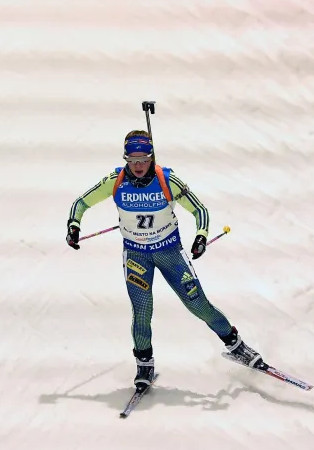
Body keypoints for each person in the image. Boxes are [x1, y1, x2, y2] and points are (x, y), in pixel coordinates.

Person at [65, 130, 264, 389]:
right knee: (142, 312)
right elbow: (80, 203)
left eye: (143, 159)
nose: (137, 166)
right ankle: (144, 364)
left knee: (198, 305)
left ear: (152, 157)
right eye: (132, 160)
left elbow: (199, 210)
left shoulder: (167, 180)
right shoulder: (115, 181)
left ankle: (235, 345)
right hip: (136, 256)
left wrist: (201, 237)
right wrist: (73, 226)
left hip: (170, 252)